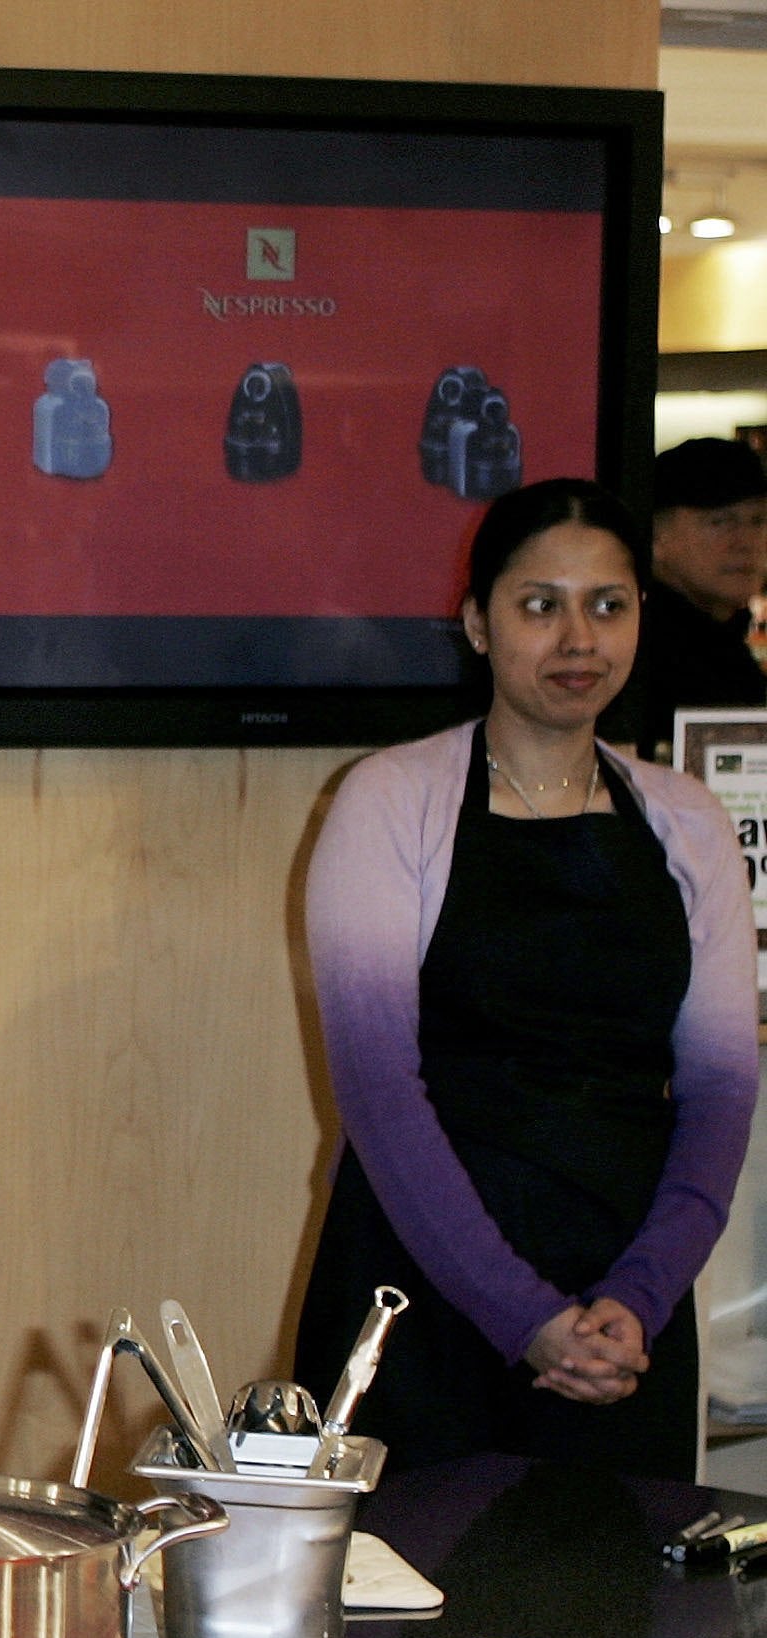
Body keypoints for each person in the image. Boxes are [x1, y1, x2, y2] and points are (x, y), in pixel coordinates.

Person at [297, 479, 757, 1480]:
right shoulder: (390, 800)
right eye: (540, 604)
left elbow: (722, 1092)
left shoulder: (688, 821)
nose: (578, 638)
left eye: (609, 604)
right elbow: (379, 1093)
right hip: (416, 1293)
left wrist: (635, 1301)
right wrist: (527, 1317)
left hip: (621, 1308)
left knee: (613, 1623)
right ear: (476, 620)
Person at [596, 436, 767, 761]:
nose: (745, 541)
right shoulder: (635, 649)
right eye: (720, 522)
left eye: (757, 521)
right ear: (657, 539)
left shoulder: (723, 642)